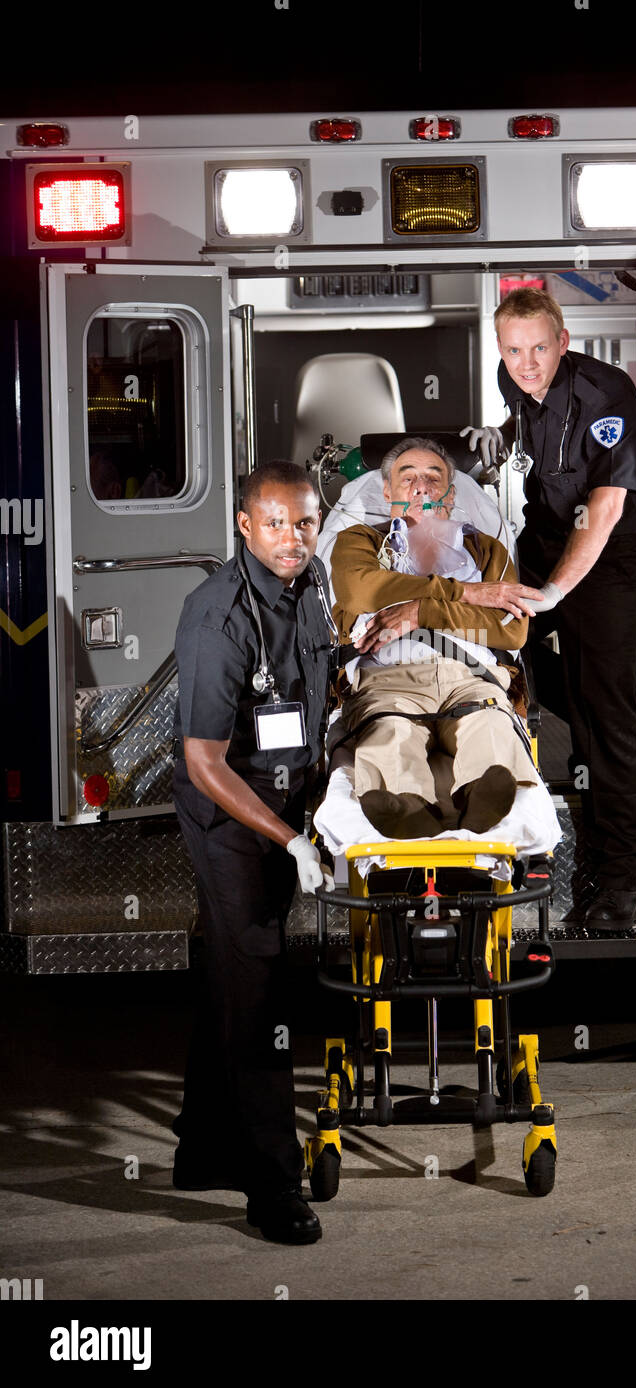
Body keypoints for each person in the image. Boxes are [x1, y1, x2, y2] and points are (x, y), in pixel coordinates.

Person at [170, 459, 334, 1245]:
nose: (293, 538)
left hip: (285, 804)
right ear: (243, 525)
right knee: (261, 992)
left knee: (231, 977)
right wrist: (290, 838)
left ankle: (202, 1149)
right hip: (233, 822)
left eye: (305, 521)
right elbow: (205, 762)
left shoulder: (312, 586)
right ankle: (274, 1187)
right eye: (275, 523)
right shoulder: (219, 617)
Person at [464, 287, 636, 930]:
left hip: (606, 559)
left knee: (607, 709)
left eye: (539, 349)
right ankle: (560, 816)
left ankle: (619, 878)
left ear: (563, 343)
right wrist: (498, 436)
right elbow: (524, 424)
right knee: (515, 672)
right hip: (546, 542)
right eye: (514, 350)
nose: (526, 363)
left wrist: (552, 593)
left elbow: (604, 510)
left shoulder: (607, 399)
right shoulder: (512, 378)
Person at [329, 437, 545, 838]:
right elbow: (363, 592)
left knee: (489, 724)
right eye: (407, 477)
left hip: (471, 677)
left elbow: (511, 628)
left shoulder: (486, 550)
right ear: (387, 492)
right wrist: (467, 594)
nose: (421, 487)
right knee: (390, 731)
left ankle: (485, 796)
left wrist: (420, 612)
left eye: (433, 477)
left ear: (452, 491)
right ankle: (404, 805)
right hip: (389, 680)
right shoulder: (359, 542)